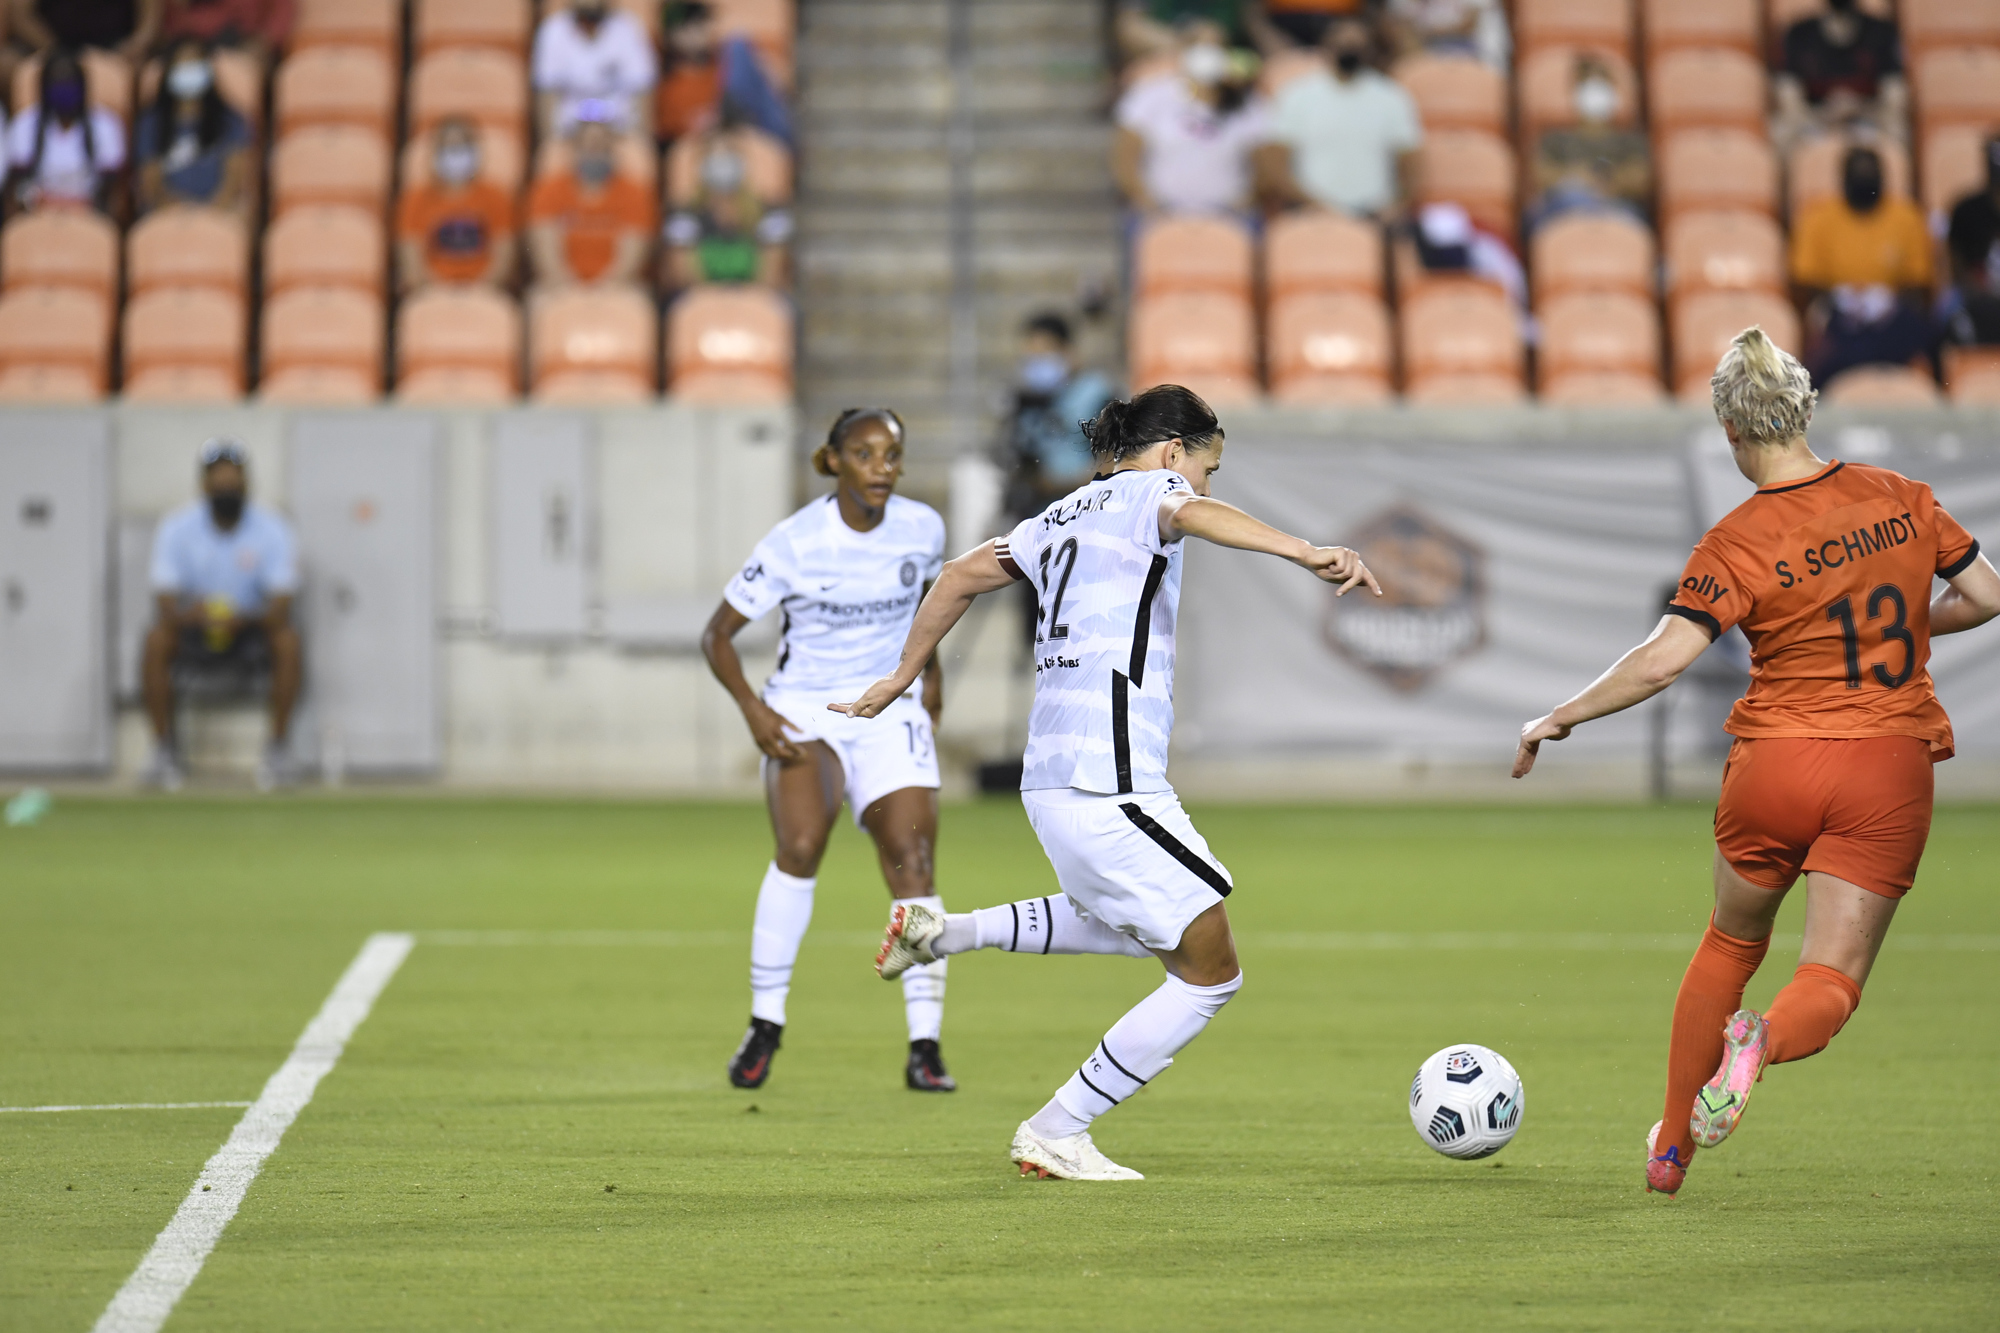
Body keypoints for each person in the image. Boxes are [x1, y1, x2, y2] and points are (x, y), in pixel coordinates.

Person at [840, 386, 1382, 1180]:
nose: (1205, 486)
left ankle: (943, 933)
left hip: (1052, 777)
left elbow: (957, 575)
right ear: (1171, 453)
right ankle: (1060, 1126)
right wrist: (1302, 549)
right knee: (1209, 970)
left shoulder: (1057, 515)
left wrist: (901, 673)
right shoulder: (1153, 491)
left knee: (1133, 922)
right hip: (1112, 778)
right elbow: (1189, 513)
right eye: (1207, 467)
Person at [1512, 327, 2000, 1198]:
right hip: (1887, 762)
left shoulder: (1736, 538)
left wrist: (1563, 715)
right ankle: (1761, 1043)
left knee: (1730, 941)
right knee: (1830, 977)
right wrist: (1905, 632)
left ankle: (1670, 1152)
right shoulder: (1904, 497)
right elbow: (1987, 595)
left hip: (1774, 764)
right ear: (1806, 409)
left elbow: (1665, 659)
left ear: (1732, 433)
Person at [699, 409, 958, 1093]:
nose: (881, 467)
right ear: (835, 460)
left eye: (892, 454)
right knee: (803, 846)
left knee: (914, 863)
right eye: (865, 453)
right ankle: (765, 1023)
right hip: (805, 708)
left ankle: (925, 1045)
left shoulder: (923, 527)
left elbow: (929, 610)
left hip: (888, 707)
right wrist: (756, 712)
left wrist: (931, 680)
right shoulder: (796, 541)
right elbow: (716, 636)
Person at [142, 438, 304, 793]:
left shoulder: (273, 528)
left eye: (234, 482)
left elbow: (281, 603)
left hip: (250, 628)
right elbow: (166, 601)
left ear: (246, 485)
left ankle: (278, 751)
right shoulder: (177, 528)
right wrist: (194, 615)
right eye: (219, 483)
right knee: (156, 640)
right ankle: (162, 751)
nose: (227, 489)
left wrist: (242, 617)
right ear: (204, 485)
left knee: (288, 641)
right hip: (194, 629)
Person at [1788, 144, 1932, 385]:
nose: (1864, 182)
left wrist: (1884, 300)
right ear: (1843, 179)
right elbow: (1803, 283)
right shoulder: (1817, 219)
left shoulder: (1907, 217)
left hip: (1891, 315)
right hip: (1836, 314)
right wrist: (1843, 298)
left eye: (1870, 176)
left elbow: (1920, 283)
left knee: (1920, 330)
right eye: (1857, 176)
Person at [1112, 19, 1278, 217]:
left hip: (1228, 213)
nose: (1206, 53)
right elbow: (1125, 158)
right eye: (1197, 45)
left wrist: (1244, 202)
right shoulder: (1148, 97)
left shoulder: (1247, 103)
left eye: (1214, 47)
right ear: (1182, 51)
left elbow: (1265, 165)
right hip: (1160, 211)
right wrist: (1148, 203)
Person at [1266, 16, 1423, 219]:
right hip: (1313, 212)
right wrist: (1313, 205)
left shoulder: (1391, 97)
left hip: (1374, 213)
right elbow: (1277, 163)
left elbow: (1409, 162)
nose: (1349, 50)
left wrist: (1396, 205)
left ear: (1369, 50)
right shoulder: (1297, 96)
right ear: (1325, 47)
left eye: (1357, 45)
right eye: (1342, 44)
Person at [1003, 312, 1116, 523]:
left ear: (1068, 351)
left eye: (1045, 354)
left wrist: (1057, 484)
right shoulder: (1026, 400)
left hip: (1088, 516)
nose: (1037, 364)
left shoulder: (1096, 394)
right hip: (1038, 519)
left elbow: (1113, 465)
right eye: (1031, 358)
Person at [526, 114, 656, 286]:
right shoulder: (548, 192)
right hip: (559, 286)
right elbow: (547, 258)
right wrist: (571, 289)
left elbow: (629, 262)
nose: (594, 153)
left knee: (633, 305)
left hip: (618, 287)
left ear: (612, 150)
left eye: (601, 146)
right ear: (574, 149)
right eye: (587, 146)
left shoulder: (635, 194)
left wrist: (601, 290)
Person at [1526, 50, 1648, 232]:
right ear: (1575, 92)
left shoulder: (1630, 141)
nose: (1595, 91)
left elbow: (1640, 180)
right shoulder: (1555, 139)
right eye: (1588, 84)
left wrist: (1604, 184)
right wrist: (1578, 179)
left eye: (1601, 84)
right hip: (1565, 209)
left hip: (1617, 210)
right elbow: (1543, 176)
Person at [396, 117, 517, 291]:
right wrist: (435, 290)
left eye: (462, 147)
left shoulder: (496, 197)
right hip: (430, 291)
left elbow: (503, 256)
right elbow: (411, 259)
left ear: (476, 152)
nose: (455, 154)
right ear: (435, 153)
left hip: (484, 291)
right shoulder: (415, 200)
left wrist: (481, 289)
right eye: (448, 148)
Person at [134, 39, 251, 216]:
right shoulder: (151, 123)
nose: (188, 72)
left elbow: (234, 182)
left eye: (194, 66)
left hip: (219, 213)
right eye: (182, 67)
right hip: (167, 215)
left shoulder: (231, 120)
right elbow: (151, 185)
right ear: (168, 73)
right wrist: (178, 213)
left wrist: (212, 213)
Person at [1773, 0, 1907, 153]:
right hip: (1815, 122)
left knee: (1898, 130)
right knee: (1782, 132)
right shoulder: (1799, 34)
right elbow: (1788, 99)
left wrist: (1857, 109)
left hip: (1868, 121)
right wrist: (1827, 114)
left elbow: (1894, 97)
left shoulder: (1882, 32)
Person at [5, 47, 125, 214]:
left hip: (89, 213)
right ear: (45, 86)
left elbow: (113, 190)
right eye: (57, 81)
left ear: (82, 85)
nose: (63, 86)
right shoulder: (25, 124)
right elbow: (15, 188)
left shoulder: (104, 124)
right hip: (36, 211)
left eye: (69, 80)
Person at [661, 140, 790, 290]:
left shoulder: (767, 216)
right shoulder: (685, 218)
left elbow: (771, 277)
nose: (723, 201)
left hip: (752, 295)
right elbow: (683, 277)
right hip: (703, 296)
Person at [532, 0, 658, 138]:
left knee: (636, 155)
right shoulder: (553, 30)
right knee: (553, 155)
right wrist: (551, 137)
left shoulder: (628, 27)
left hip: (619, 126)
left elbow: (641, 89)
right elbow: (547, 92)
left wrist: (639, 136)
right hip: (569, 129)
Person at [1942, 135, 2000, 348]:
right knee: (1947, 312)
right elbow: (1954, 261)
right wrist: (1974, 286)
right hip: (1973, 292)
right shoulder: (1966, 210)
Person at [8, 0, 161, 61]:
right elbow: (22, 15)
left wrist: (134, 46)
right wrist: (55, 50)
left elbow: (148, 25)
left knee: (143, 68)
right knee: (7, 63)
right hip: (55, 48)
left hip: (116, 47)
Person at [1384, 0, 1508, 69]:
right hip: (1423, 51)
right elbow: (1401, 25)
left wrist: (1432, 32)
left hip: (1470, 52)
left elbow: (1469, 24)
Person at [160, 0, 294, 60]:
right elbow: (172, 22)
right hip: (191, 43)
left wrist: (264, 43)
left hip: (245, 43)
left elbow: (282, 12)